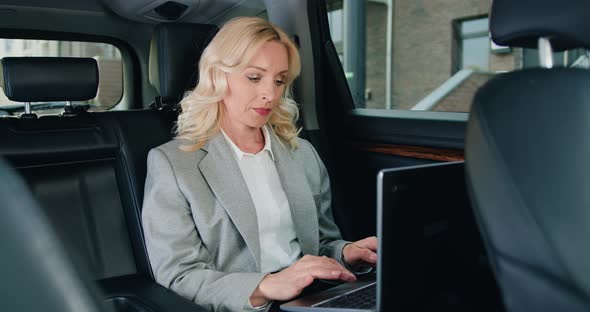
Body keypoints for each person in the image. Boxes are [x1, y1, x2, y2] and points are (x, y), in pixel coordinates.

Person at [142, 16, 377, 312]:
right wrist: (265, 285)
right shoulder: (173, 164)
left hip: (311, 299)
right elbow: (179, 276)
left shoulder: (302, 154)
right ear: (217, 75)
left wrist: (346, 253)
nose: (271, 93)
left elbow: (321, 245)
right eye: (254, 77)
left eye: (279, 80)